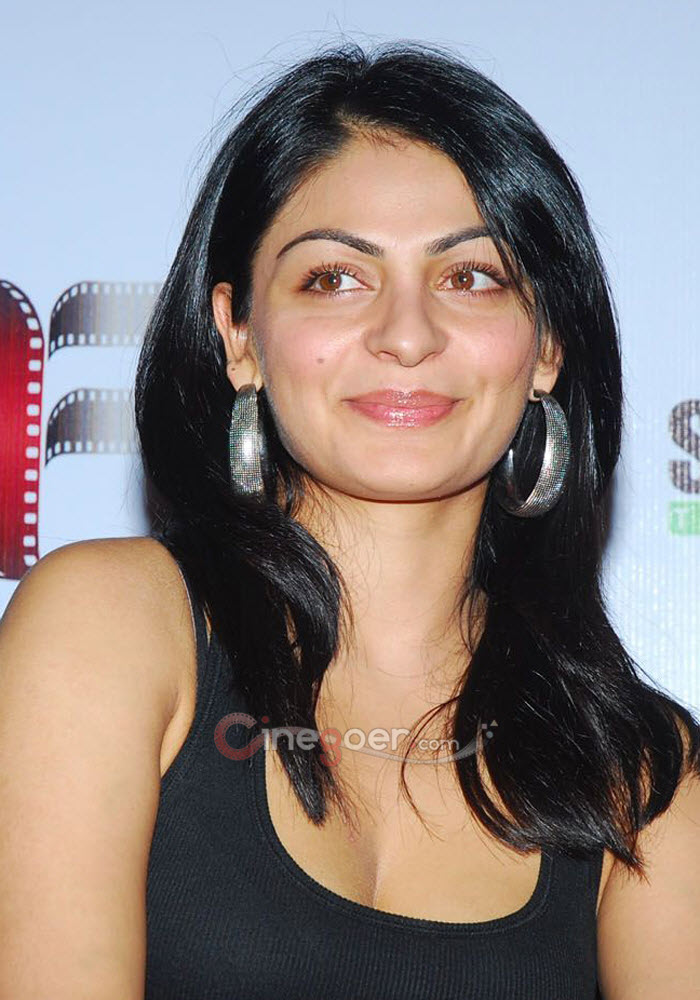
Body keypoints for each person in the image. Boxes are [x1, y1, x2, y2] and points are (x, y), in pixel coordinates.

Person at [1, 40, 699, 1000]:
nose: (406, 335)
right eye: (334, 278)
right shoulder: (109, 625)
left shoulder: (643, 773)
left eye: (471, 277)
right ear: (240, 335)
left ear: (547, 346)